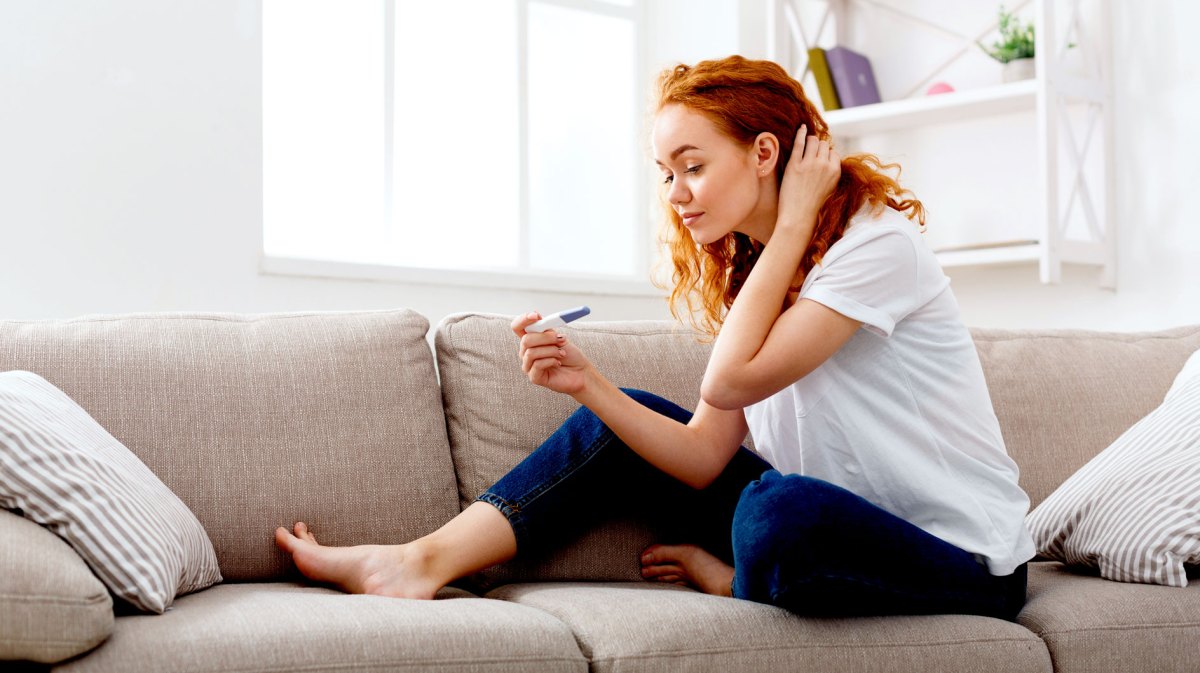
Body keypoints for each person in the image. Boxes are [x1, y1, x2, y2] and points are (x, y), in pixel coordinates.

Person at [274, 55, 1035, 620]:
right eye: (665, 173)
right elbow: (706, 452)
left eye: (691, 167)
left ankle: (734, 578)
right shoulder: (760, 272)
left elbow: (731, 383)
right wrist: (588, 384)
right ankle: (416, 562)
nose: (675, 195)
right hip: (835, 526)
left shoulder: (877, 248)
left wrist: (795, 223)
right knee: (629, 421)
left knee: (778, 513)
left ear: (764, 154)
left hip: (958, 559)